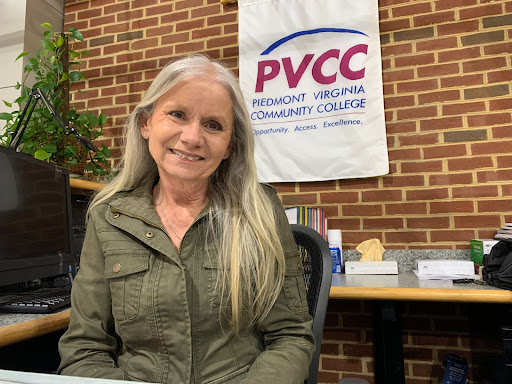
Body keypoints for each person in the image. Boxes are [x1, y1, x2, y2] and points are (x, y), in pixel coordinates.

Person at [58, 54, 315, 384]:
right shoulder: (109, 217)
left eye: (213, 125)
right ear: (146, 124)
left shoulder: (259, 211)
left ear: (230, 147)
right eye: (177, 114)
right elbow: (85, 348)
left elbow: (290, 337)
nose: (192, 137)